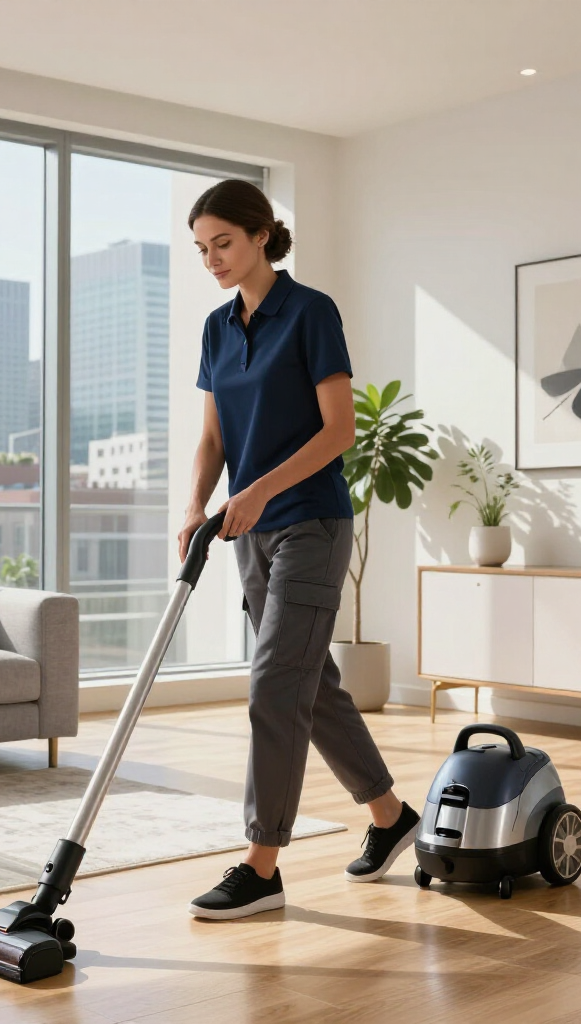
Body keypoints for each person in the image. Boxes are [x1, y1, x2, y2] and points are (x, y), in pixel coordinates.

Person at [179, 179, 419, 920]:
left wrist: (258, 491)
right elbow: (216, 436)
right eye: (200, 249)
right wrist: (197, 502)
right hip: (248, 531)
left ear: (260, 234)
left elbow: (340, 430)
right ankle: (390, 816)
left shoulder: (311, 312)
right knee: (311, 686)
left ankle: (262, 865)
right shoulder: (218, 329)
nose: (213, 259)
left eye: (223, 243)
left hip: (311, 522)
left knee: (273, 685)